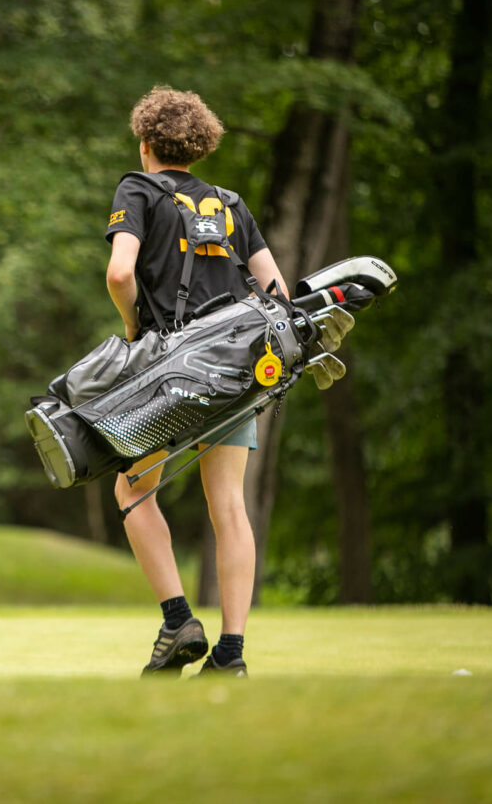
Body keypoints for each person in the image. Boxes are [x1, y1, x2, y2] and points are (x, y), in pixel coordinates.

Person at [104, 86, 289, 678]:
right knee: (229, 506)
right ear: (199, 147)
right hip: (236, 372)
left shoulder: (137, 190)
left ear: (145, 143)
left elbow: (119, 271)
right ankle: (231, 655)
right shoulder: (231, 204)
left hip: (169, 371)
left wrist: (134, 327)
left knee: (133, 490)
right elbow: (279, 295)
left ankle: (178, 619)